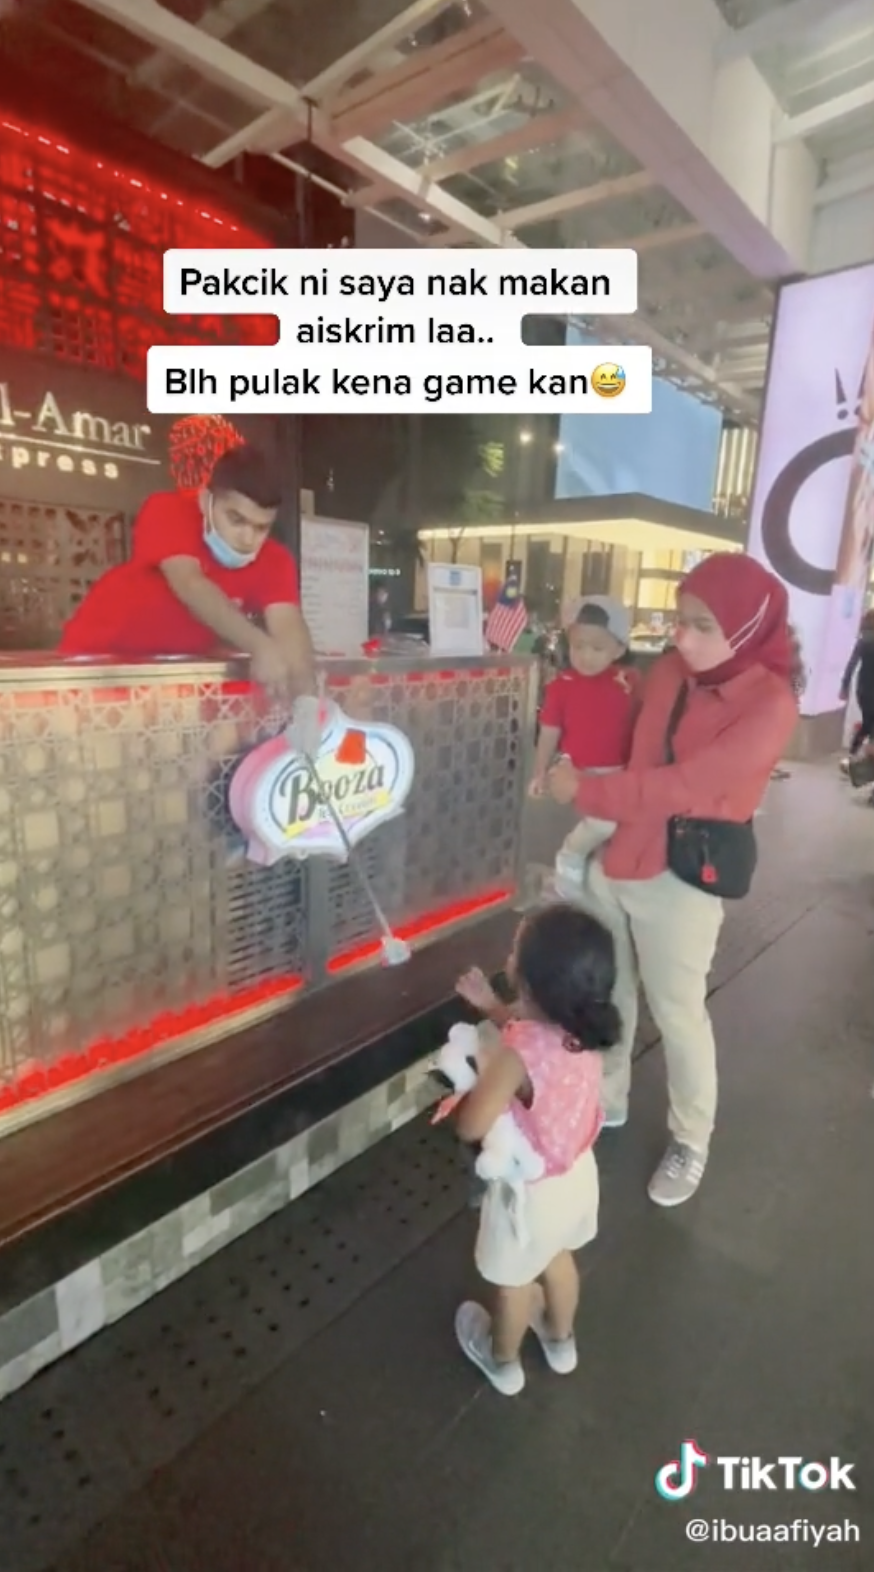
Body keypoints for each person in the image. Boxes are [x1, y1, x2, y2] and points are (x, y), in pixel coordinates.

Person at [547, 553, 800, 1209]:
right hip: (618, 857)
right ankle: (608, 1100)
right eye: (679, 620)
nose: (682, 637)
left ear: (746, 629)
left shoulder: (769, 704)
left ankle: (691, 1139)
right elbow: (626, 744)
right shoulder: (664, 672)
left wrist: (584, 793)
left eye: (702, 625)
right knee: (610, 992)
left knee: (679, 1013)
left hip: (681, 879)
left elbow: (680, 787)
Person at [452, 903, 619, 1397]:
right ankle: (560, 1340)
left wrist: (470, 1086)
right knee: (558, 1260)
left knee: (515, 1283)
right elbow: (535, 1035)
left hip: (530, 1197)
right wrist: (492, 1007)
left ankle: (502, 1360)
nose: (508, 956)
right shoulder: (584, 1027)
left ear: (527, 982)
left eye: (514, 950)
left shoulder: (517, 1055)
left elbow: (471, 1125)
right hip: (577, 1176)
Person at [59, 444, 315, 700]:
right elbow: (190, 584)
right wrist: (259, 646)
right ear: (205, 501)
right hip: (95, 667)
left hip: (176, 683)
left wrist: (308, 701)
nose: (247, 538)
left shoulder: (275, 559)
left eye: (261, 528)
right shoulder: (168, 511)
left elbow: (288, 625)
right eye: (236, 520)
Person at [530, 596, 638, 896]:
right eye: (578, 646)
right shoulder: (562, 685)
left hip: (619, 772)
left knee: (610, 830)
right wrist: (539, 771)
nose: (586, 656)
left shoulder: (629, 683)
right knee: (602, 825)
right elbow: (549, 732)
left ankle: (588, 880)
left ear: (619, 649)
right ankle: (571, 855)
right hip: (577, 771)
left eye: (597, 648)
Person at [840, 609, 874, 770]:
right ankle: (857, 759)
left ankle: (852, 756)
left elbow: (851, 664)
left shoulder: (863, 640)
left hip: (863, 689)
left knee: (868, 724)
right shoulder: (866, 640)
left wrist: (845, 686)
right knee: (869, 725)